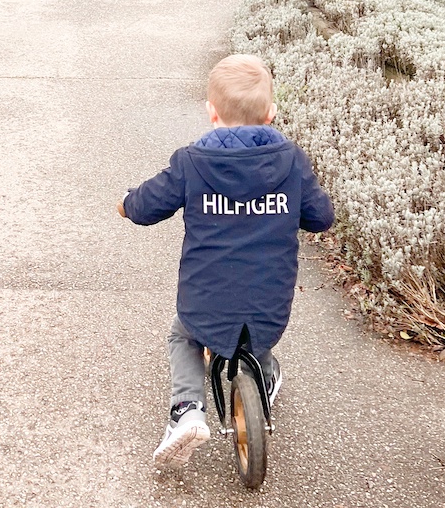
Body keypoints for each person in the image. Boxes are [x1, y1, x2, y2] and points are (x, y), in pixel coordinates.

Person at [116, 54, 334, 469]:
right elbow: (321, 217)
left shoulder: (192, 162)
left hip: (206, 299)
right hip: (270, 301)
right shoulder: (291, 160)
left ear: (211, 112)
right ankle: (262, 376)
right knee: (256, 334)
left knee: (184, 336)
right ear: (271, 113)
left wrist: (127, 204)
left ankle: (186, 409)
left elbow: (148, 205)